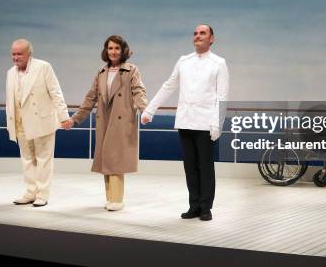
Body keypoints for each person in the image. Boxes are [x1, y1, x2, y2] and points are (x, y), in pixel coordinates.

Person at [141, 24, 229, 221]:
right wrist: (150, 109)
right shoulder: (184, 61)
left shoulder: (218, 63)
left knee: (205, 166)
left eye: (202, 33)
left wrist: (218, 124)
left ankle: (206, 207)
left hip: (207, 123)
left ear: (212, 38)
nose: (198, 36)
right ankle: (194, 205)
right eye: (196, 33)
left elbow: (222, 96)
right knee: (190, 166)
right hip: (185, 121)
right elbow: (168, 86)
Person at [62, 35, 147, 211]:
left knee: (116, 159)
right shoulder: (101, 73)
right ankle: (110, 198)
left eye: (116, 48)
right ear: (105, 51)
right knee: (107, 159)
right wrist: (74, 119)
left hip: (121, 121)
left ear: (123, 50)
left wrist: (144, 109)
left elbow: (138, 91)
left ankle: (116, 199)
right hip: (104, 120)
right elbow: (90, 98)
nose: (113, 52)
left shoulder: (131, 70)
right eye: (110, 48)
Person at [5, 39, 70, 207]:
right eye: (13, 53)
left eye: (19, 53)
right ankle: (30, 192)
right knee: (27, 159)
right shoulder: (10, 73)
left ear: (29, 54)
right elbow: (10, 100)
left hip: (42, 120)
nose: (15, 57)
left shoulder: (43, 67)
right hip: (20, 122)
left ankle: (42, 194)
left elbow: (56, 92)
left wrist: (64, 116)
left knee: (43, 159)